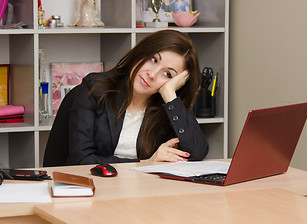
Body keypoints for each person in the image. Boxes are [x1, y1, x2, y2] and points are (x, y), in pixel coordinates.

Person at [66, 30, 209, 165]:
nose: (152, 74)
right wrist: (144, 164)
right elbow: (81, 160)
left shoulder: (169, 108)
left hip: (146, 188)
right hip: (97, 186)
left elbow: (196, 153)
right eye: (153, 59)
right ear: (142, 52)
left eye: (167, 74)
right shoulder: (95, 88)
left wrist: (170, 95)